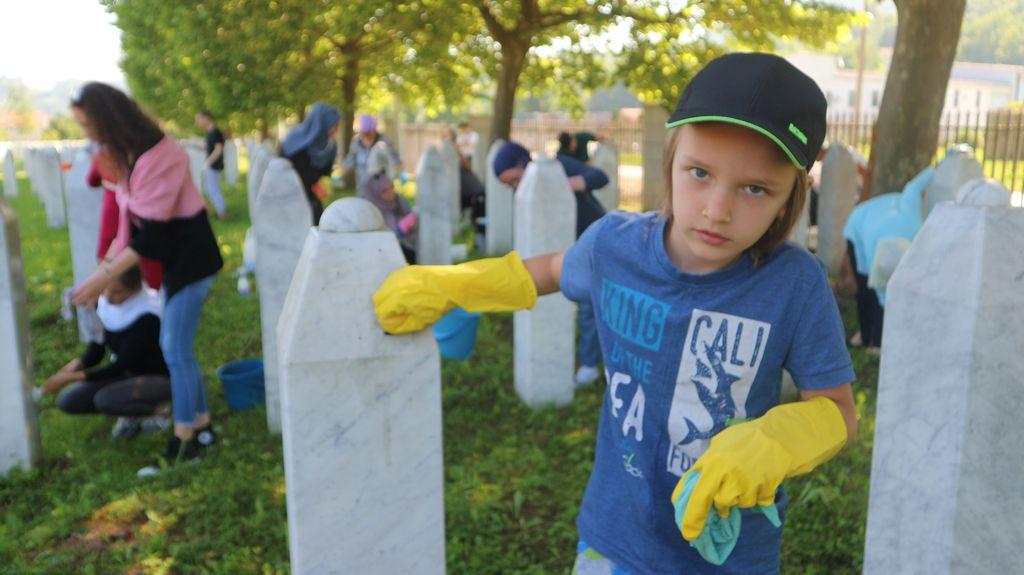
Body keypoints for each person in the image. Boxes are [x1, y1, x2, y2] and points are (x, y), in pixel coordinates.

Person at [375, 53, 858, 573]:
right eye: (700, 173)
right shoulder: (614, 246)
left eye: (755, 189)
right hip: (616, 539)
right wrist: (454, 284)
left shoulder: (795, 283)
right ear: (670, 161)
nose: (717, 209)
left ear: (789, 199)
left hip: (730, 553)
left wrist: (776, 440)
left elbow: (838, 410)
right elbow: (554, 272)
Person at [69, 82, 224, 476]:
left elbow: (151, 233)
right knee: (178, 350)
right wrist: (101, 272)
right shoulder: (130, 155)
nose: (87, 132)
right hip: (174, 263)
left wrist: (102, 277)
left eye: (88, 123)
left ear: (107, 117)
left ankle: (185, 438)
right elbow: (128, 223)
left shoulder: (162, 154)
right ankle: (202, 428)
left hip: (193, 260)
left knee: (175, 349)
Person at [493, 141, 608, 385]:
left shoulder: (560, 165)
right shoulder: (525, 191)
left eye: (514, 178)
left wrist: (565, 186)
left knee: (589, 305)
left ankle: (590, 365)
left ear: (522, 163)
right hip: (563, 252)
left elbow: (599, 176)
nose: (515, 187)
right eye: (509, 185)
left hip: (593, 242)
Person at [44, 266, 172, 439]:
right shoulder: (108, 305)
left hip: (156, 377)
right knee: (68, 400)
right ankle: (133, 411)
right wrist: (74, 366)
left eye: (117, 292)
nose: (109, 298)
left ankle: (160, 412)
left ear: (134, 289)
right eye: (105, 290)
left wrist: (70, 378)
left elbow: (118, 367)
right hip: (127, 374)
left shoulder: (147, 316)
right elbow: (97, 349)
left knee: (105, 400)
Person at [90, 145, 163, 290]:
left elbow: (92, 180)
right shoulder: (146, 153)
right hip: (141, 214)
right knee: (147, 260)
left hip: (114, 213)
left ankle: (109, 293)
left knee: (112, 254)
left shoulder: (104, 155)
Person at [280, 102, 341, 226]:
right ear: (321, 123)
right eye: (333, 125)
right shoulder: (294, 142)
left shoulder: (330, 146)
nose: (336, 129)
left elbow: (326, 173)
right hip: (291, 201)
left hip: (314, 201)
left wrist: (324, 184)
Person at [342, 115, 403, 197]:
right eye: (364, 132)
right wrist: (341, 176)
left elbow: (396, 160)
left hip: (383, 186)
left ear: (374, 130)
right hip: (363, 187)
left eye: (369, 132)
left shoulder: (384, 141)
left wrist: (401, 173)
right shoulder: (356, 142)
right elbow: (350, 162)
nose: (366, 135)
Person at [364, 170, 417, 264]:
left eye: (392, 187)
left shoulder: (399, 201)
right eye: (384, 191)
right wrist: (399, 230)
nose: (391, 192)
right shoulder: (371, 212)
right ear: (375, 193)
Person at [195, 110, 226, 220]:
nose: (198, 122)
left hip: (214, 165)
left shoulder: (215, 132)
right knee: (209, 188)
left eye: (199, 119)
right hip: (212, 165)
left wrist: (208, 162)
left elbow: (218, 149)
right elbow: (207, 147)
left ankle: (222, 213)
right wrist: (190, 144)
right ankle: (220, 211)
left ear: (206, 118)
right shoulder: (210, 132)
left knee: (213, 189)